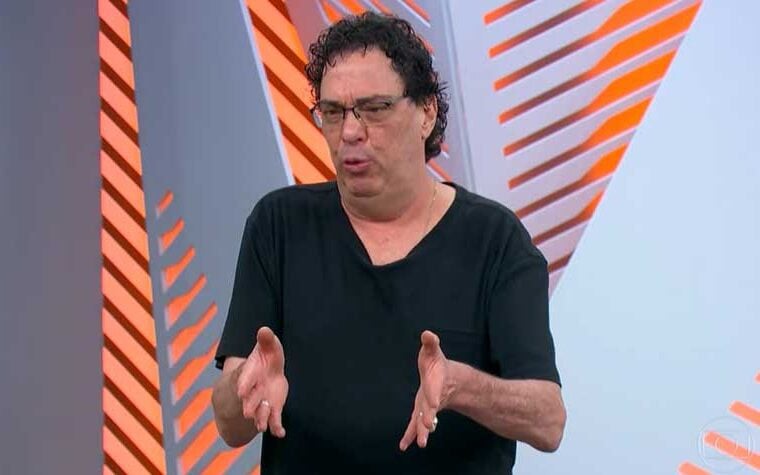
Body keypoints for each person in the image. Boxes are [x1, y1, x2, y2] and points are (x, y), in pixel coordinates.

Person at [212, 11, 565, 474]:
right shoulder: (278, 225)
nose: (350, 132)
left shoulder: (494, 240)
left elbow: (548, 421)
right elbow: (230, 425)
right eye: (333, 113)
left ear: (426, 113)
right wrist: (245, 385)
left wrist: (461, 387)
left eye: (374, 109)